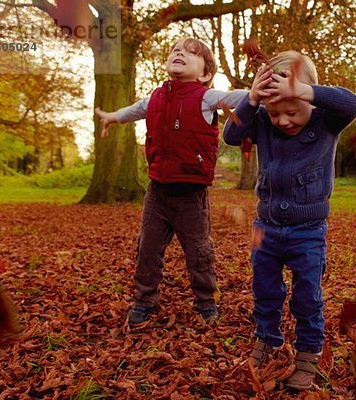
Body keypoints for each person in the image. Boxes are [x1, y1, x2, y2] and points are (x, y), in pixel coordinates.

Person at [223, 51, 356, 390]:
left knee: (306, 296)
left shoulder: (326, 120)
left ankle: (308, 354)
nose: (283, 120)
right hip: (265, 227)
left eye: (291, 110)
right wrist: (252, 100)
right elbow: (230, 135)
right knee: (264, 289)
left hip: (308, 231)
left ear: (307, 99)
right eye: (274, 113)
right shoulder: (261, 120)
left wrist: (305, 90)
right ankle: (267, 339)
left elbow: (352, 103)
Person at [95, 37, 248, 325]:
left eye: (190, 53)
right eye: (175, 50)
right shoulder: (155, 97)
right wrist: (112, 118)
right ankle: (144, 298)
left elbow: (238, 97)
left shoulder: (206, 97)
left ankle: (206, 301)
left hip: (191, 194)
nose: (179, 53)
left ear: (204, 74)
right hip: (158, 191)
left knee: (199, 251)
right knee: (148, 248)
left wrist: (260, 92)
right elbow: (133, 111)